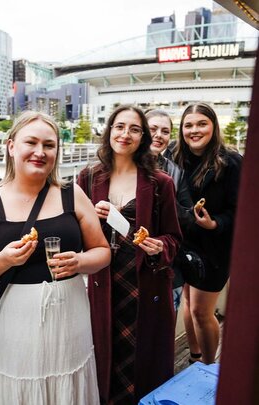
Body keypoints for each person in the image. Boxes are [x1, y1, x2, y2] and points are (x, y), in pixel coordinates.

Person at [0, 111, 110, 404]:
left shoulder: (72, 194)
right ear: (11, 146)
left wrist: (79, 262)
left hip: (70, 321)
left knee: (69, 385)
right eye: (32, 142)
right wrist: (3, 260)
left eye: (49, 145)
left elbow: (102, 252)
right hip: (14, 327)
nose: (40, 152)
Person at [77, 105, 182, 404]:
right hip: (104, 284)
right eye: (119, 126)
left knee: (145, 364)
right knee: (105, 360)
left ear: (143, 137)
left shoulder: (161, 183)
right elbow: (75, 232)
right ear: (109, 130)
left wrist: (160, 246)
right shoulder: (88, 178)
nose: (125, 134)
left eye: (134, 129)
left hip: (145, 286)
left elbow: (175, 237)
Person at [172, 102, 242, 365]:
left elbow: (241, 209)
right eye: (188, 125)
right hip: (185, 243)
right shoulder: (175, 156)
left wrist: (215, 224)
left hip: (215, 248)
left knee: (202, 311)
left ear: (214, 126)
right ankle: (195, 357)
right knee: (189, 305)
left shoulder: (231, 162)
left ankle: (209, 368)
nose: (194, 130)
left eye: (202, 123)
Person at [145, 109, 194, 316]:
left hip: (166, 263)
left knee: (162, 336)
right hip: (130, 265)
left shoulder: (175, 171)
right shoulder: (123, 167)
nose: (158, 135)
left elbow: (189, 216)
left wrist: (165, 198)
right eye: (153, 129)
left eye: (165, 131)